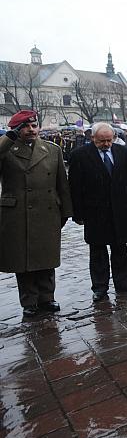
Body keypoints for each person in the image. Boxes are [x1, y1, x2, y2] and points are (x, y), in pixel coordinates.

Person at [0, 111, 72, 317]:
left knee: (46, 257)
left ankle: (47, 297)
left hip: (47, 210)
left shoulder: (52, 149)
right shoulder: (7, 149)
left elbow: (62, 184)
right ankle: (29, 301)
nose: (31, 130)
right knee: (23, 261)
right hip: (18, 213)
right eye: (25, 126)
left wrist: (66, 210)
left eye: (34, 126)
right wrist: (8, 139)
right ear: (15, 129)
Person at [68, 122, 127, 301]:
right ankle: (100, 287)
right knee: (98, 251)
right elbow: (75, 187)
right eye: (102, 141)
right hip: (95, 212)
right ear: (93, 138)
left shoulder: (122, 152)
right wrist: (78, 213)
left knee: (120, 249)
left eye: (109, 140)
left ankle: (123, 282)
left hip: (120, 210)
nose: (106, 144)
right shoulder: (79, 156)